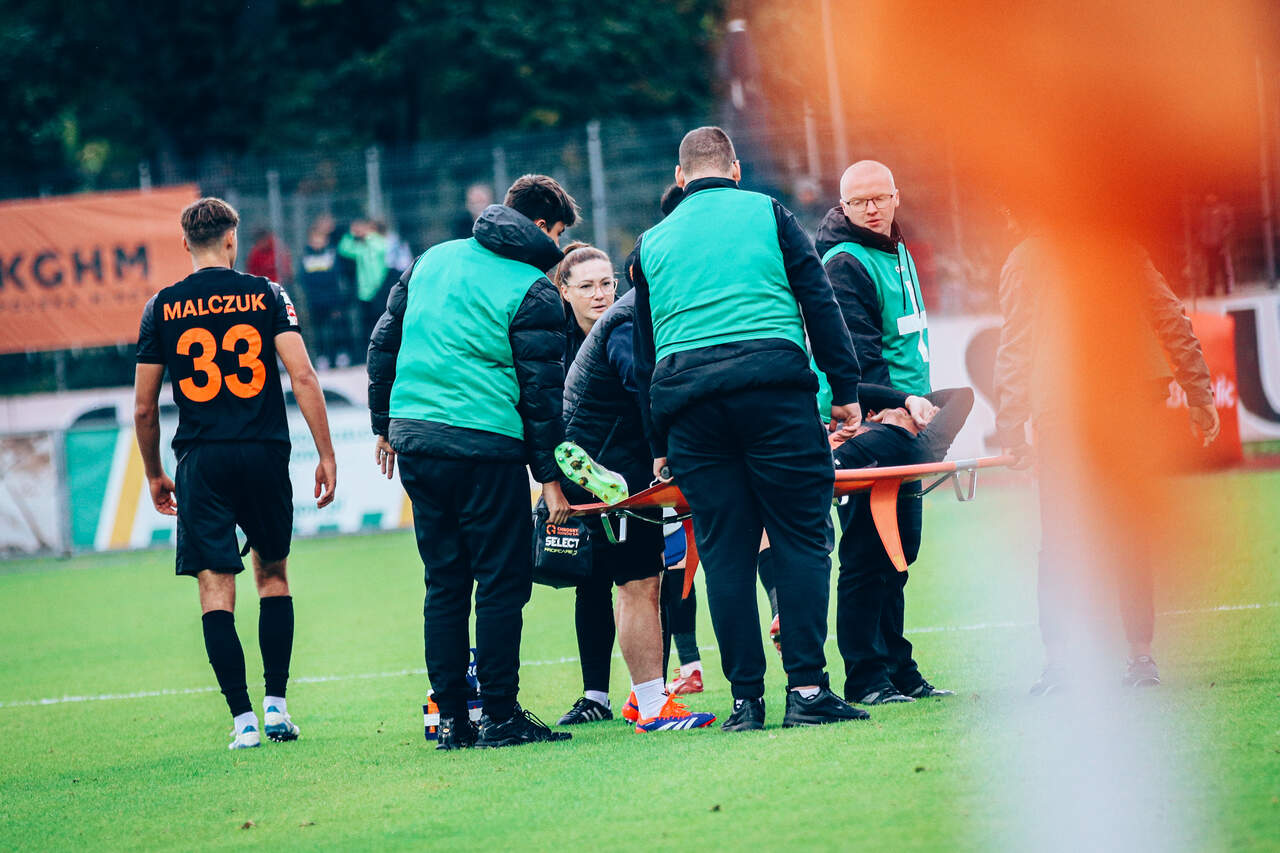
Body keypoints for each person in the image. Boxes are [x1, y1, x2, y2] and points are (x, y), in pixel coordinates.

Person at [631, 126, 869, 730]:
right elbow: (819, 301)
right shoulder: (769, 213)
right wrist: (845, 391)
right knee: (801, 539)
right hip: (774, 392)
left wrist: (658, 442)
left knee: (724, 553)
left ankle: (746, 702)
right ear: (735, 169)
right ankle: (808, 691)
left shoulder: (651, 243)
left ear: (680, 178)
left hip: (690, 408)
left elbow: (644, 354)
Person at [367, 174, 577, 750]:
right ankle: (501, 716)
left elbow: (384, 345)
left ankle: (453, 722)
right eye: (558, 235)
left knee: (444, 582)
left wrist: (384, 427)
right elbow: (541, 398)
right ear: (540, 226)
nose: (558, 248)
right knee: (501, 582)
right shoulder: (532, 289)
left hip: (417, 443)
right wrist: (550, 479)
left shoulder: (430, 260)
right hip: (485, 446)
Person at [133, 197, 337, 750]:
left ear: (185, 244)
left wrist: (154, 473)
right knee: (273, 576)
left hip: (203, 460)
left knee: (215, 586)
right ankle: (277, 707)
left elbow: (145, 408)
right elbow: (303, 376)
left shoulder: (161, 307)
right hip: (263, 453)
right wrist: (326, 454)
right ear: (232, 240)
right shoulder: (267, 294)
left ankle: (243, 720)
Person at [994, 229, 1219, 693]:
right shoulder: (1122, 245)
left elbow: (1016, 342)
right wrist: (1198, 391)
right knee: (1129, 531)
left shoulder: (1027, 256)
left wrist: (1011, 423)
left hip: (1063, 409)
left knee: (1058, 539)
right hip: (1126, 405)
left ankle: (1059, 665)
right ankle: (1140, 657)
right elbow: (1170, 315)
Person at [554, 248, 717, 733]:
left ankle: (641, 696)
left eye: (606, 283)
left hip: (613, 470)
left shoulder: (626, 317)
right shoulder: (627, 324)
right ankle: (650, 705)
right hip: (609, 476)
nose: (600, 293)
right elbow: (644, 386)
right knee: (636, 584)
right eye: (587, 286)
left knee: (643, 581)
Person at [814, 159, 952, 705]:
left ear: (897, 197)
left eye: (879, 198)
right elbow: (854, 366)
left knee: (899, 552)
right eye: (858, 202)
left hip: (904, 425)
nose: (871, 209)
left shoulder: (896, 249)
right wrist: (897, 404)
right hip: (869, 429)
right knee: (869, 554)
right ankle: (865, 676)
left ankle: (898, 669)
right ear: (843, 206)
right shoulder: (844, 263)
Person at [298, 214, 348, 368]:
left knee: (336, 328)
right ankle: (322, 357)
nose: (317, 242)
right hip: (315, 300)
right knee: (319, 331)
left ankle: (340, 354)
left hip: (332, 298)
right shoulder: (306, 257)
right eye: (314, 239)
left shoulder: (331, 254)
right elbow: (303, 278)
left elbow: (335, 276)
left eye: (320, 239)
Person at [337, 218, 389, 343]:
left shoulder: (379, 242)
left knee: (383, 322)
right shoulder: (361, 248)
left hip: (380, 291)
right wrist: (351, 234)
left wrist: (367, 235)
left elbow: (380, 246)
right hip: (365, 293)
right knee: (367, 324)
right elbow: (343, 248)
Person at [1197, 193, 1235, 297]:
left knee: (1224, 266)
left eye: (1212, 195)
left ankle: (1227, 288)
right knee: (1210, 268)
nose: (1209, 198)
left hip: (1220, 242)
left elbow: (1229, 223)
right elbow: (1200, 225)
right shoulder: (1203, 211)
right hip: (1208, 243)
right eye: (1208, 195)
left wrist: (1224, 235)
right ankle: (1211, 289)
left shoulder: (1223, 208)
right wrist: (1202, 237)